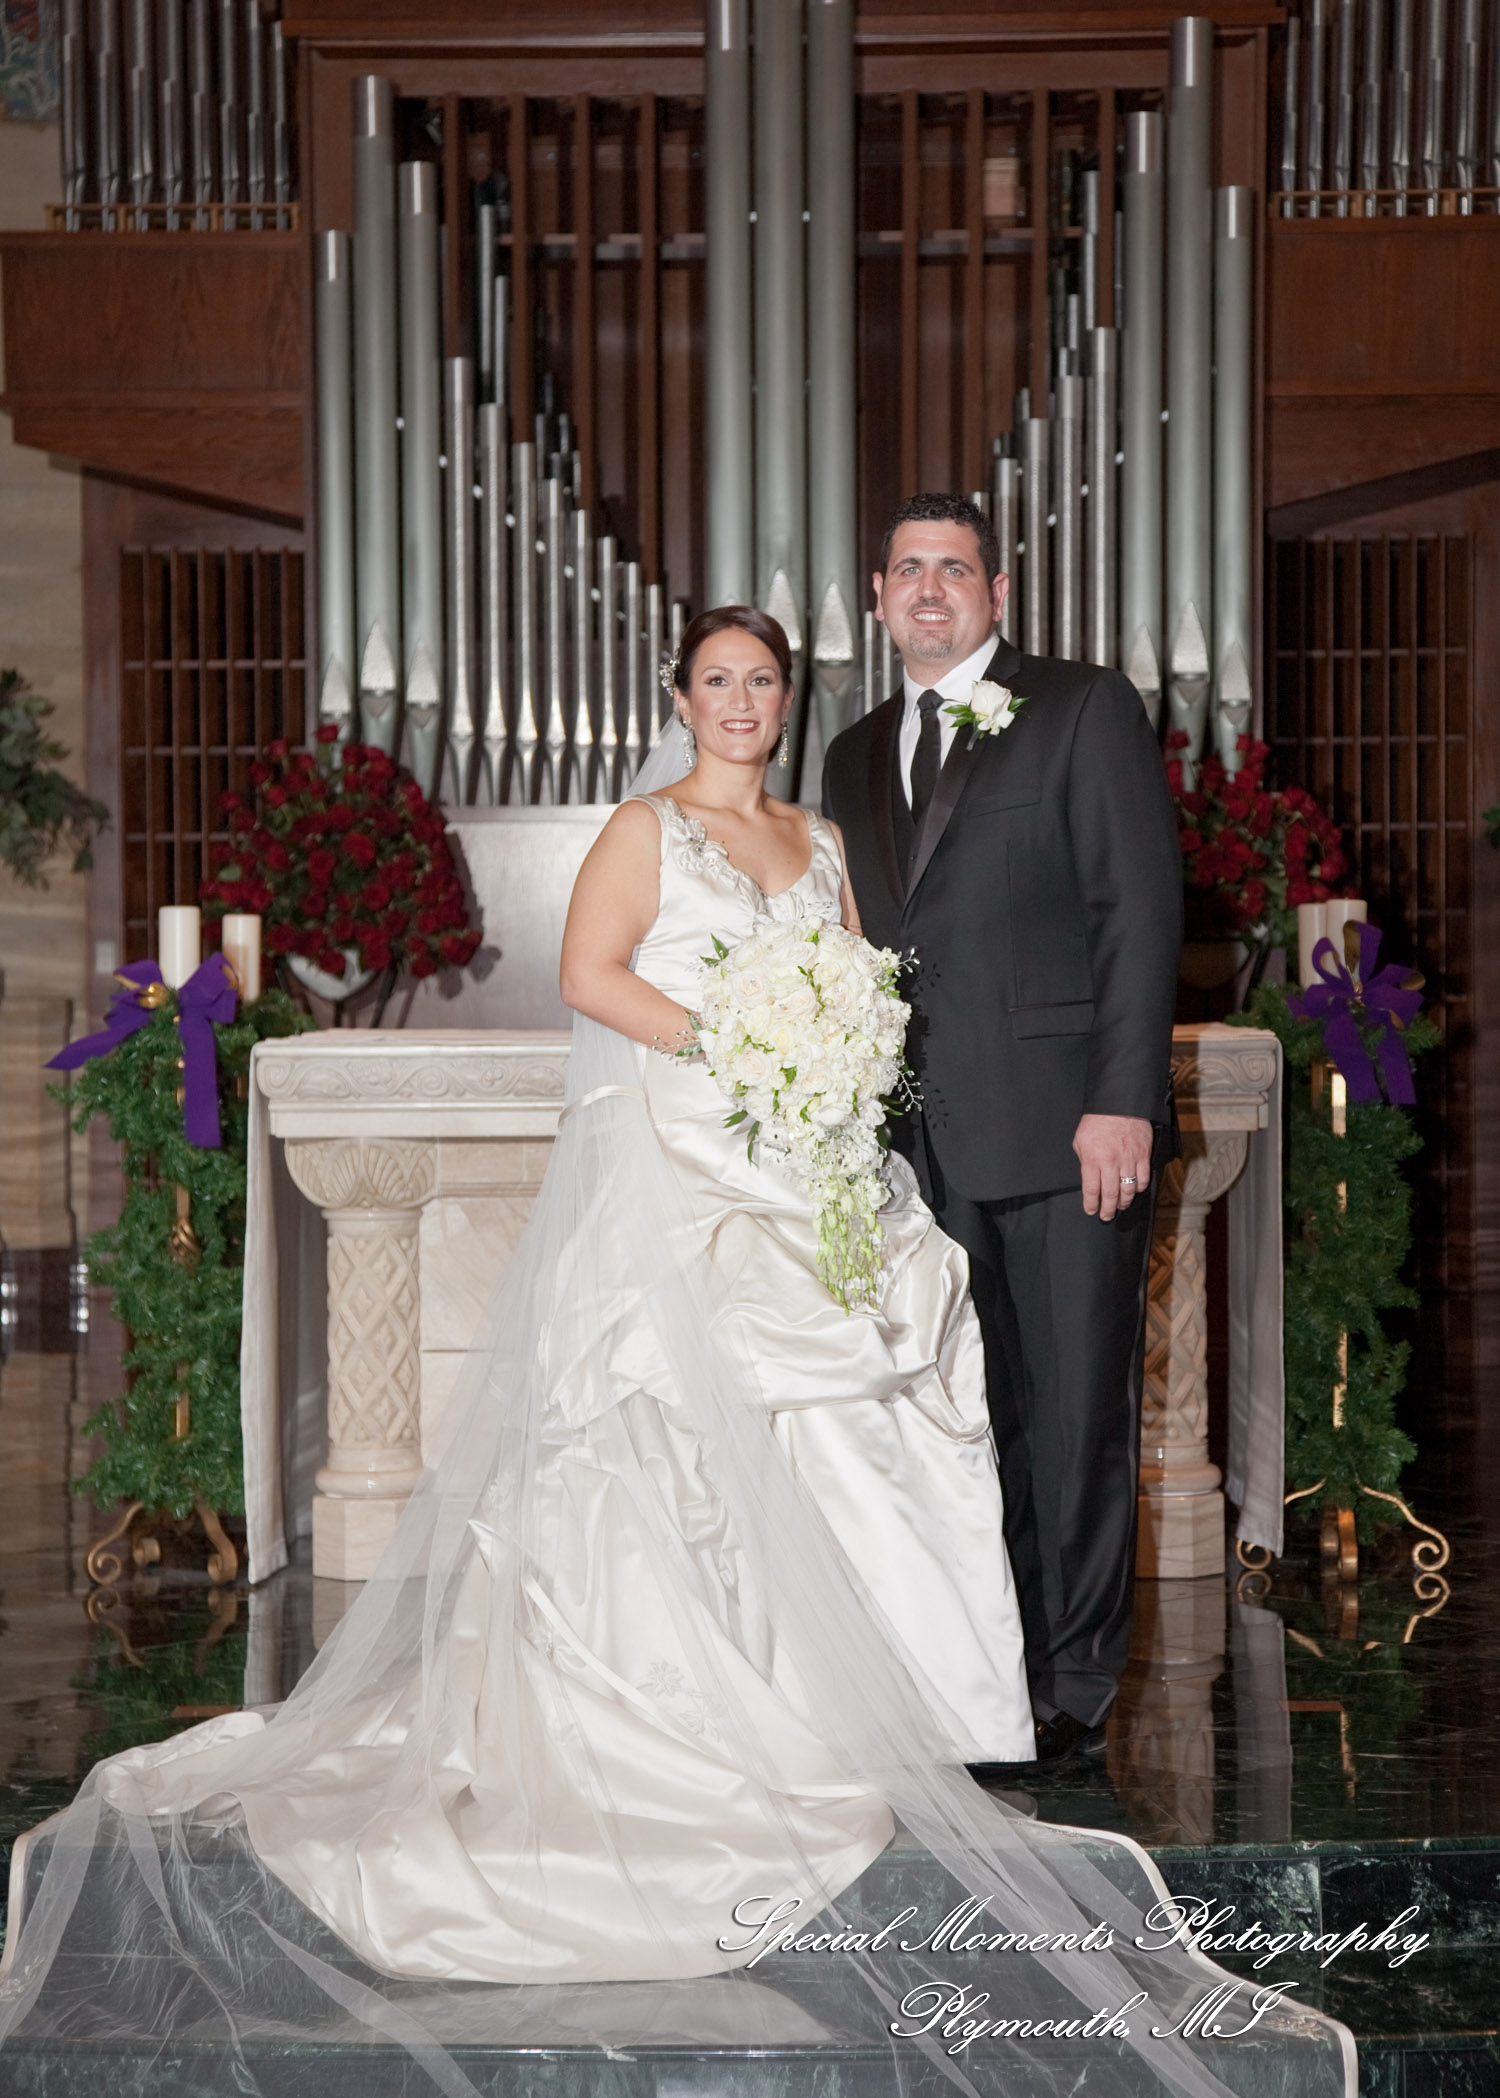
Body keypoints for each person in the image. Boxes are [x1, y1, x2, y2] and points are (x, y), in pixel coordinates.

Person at [0, 610, 1349, 2098]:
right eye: (717, 681)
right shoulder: (646, 828)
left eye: (764, 681)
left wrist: (830, 1053)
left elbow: (860, 984)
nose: (742, 702)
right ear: (682, 696)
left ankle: (851, 1711)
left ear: (789, 696)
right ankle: (675, 1715)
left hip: (810, 1162)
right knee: (667, 1436)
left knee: (855, 1420)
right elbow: (591, 973)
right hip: (688, 1166)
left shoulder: (826, 837)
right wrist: (738, 1044)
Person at [823, 494, 1183, 1776]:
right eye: (908, 570)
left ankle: (1074, 1682)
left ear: (999, 588)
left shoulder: (1082, 709)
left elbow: (1136, 911)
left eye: (955, 569)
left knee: (1076, 1410)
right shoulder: (850, 752)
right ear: (876, 597)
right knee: (966, 1418)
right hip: (919, 1146)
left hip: (1065, 1127)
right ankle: (985, 1667)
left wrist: (1122, 1098)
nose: (931, 589)